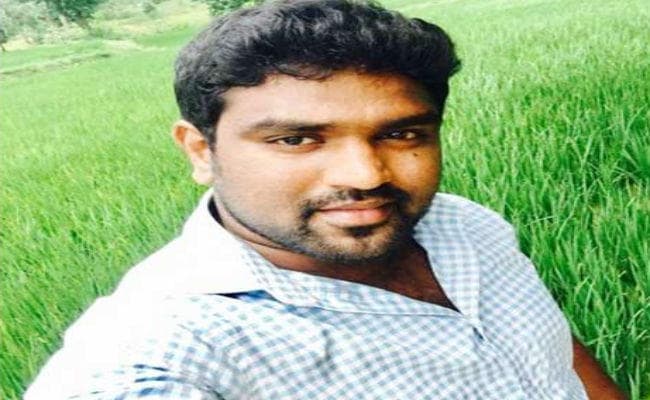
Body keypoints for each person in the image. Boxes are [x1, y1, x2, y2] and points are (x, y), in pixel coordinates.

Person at [26, 0, 625, 398]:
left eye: (401, 134)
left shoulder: (467, 225)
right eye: (296, 139)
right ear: (201, 151)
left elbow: (554, 359)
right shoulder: (164, 348)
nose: (365, 175)